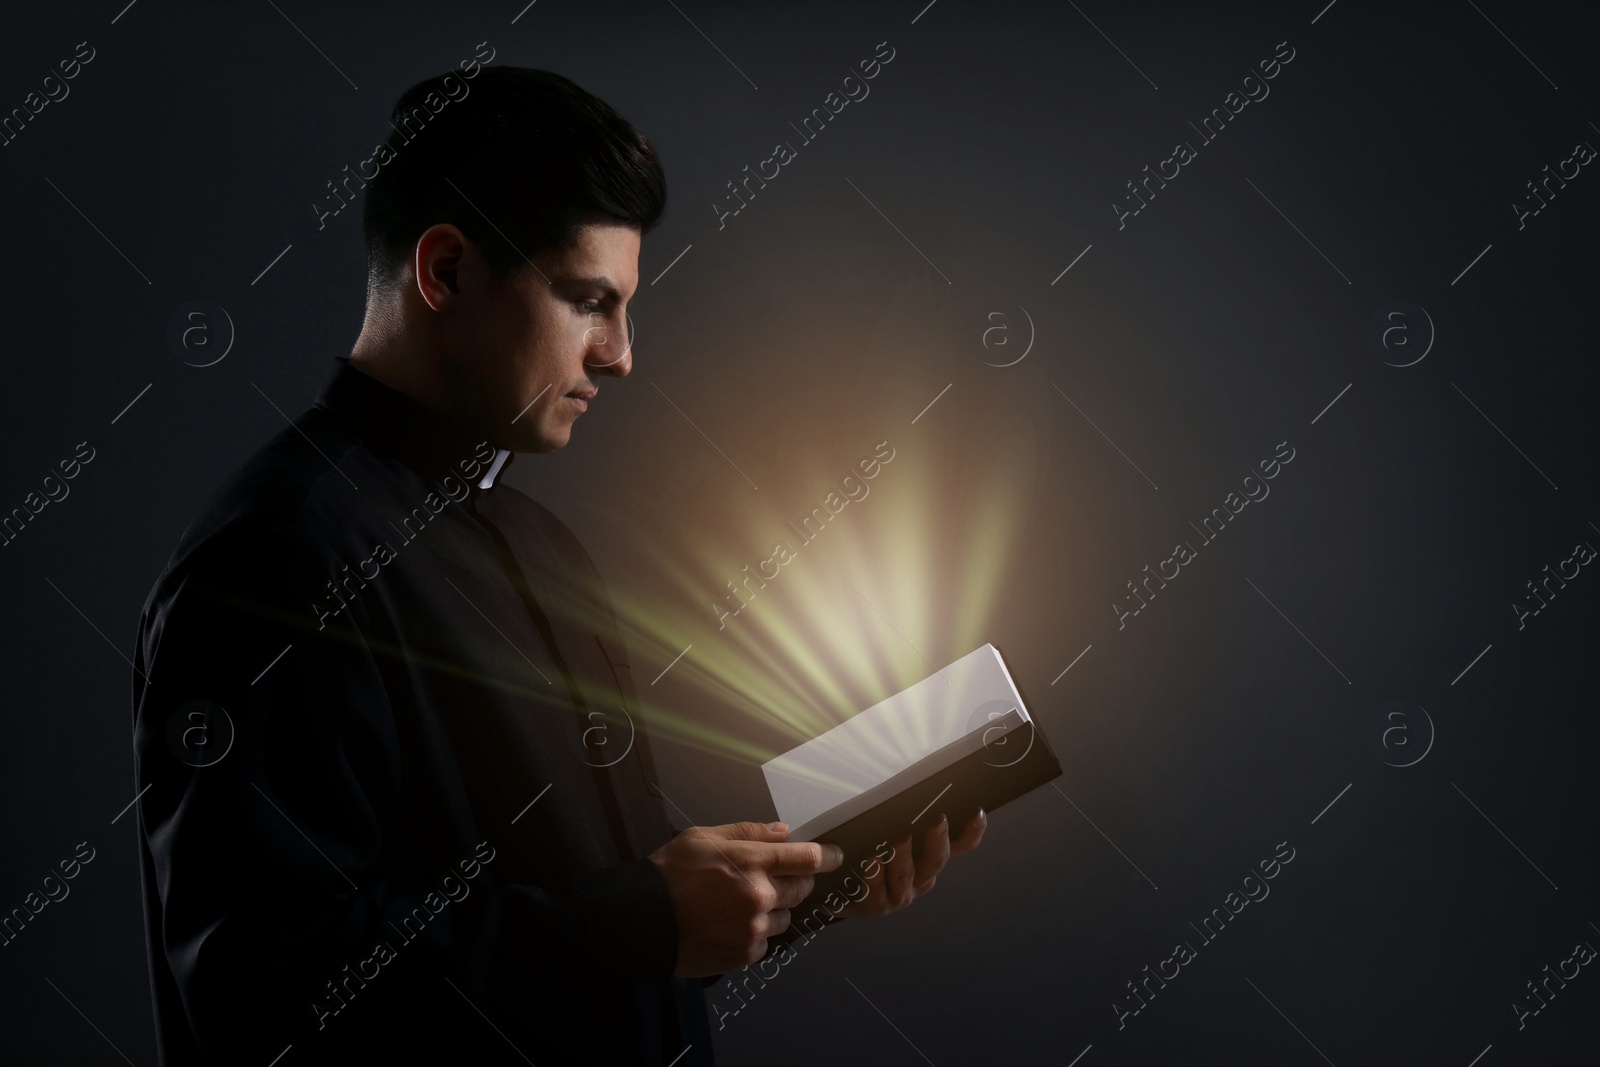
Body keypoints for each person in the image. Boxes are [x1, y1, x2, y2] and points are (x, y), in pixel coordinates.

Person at [131, 65, 983, 1066]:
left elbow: (593, 895)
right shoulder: (276, 555)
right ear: (444, 271)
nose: (619, 353)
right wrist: (641, 920)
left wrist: (803, 880)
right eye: (589, 301)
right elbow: (259, 993)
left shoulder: (540, 548)